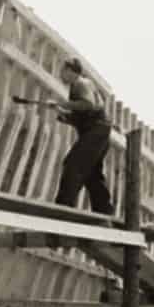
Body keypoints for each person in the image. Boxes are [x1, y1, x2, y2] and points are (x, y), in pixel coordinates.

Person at [53, 57, 113, 215]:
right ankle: (104, 213)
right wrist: (63, 116)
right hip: (97, 131)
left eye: (62, 71)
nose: (60, 74)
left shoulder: (82, 83)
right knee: (92, 174)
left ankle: (63, 209)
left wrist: (64, 105)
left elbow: (88, 105)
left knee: (73, 165)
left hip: (96, 131)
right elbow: (83, 116)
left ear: (70, 70)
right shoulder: (78, 86)